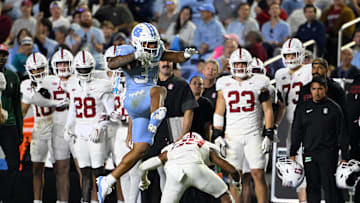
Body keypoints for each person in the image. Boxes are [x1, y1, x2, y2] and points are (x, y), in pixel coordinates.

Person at [96, 23, 197, 202]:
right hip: (136, 97)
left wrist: (185, 55)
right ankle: (155, 121)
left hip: (143, 108)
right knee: (160, 90)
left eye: (153, 43)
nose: (151, 47)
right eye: (147, 44)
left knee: (140, 150)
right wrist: (134, 55)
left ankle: (109, 179)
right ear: (137, 42)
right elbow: (112, 63)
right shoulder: (128, 49)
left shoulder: (156, 49)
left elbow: (171, 55)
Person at [213, 48, 274, 203]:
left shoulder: (261, 81)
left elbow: (268, 110)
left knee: (258, 174)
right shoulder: (224, 83)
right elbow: (219, 111)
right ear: (231, 65)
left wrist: (269, 134)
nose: (240, 68)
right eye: (237, 64)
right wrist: (217, 135)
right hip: (232, 135)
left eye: (243, 64)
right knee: (235, 176)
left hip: (254, 134)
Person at [64, 50, 115, 203]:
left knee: (99, 173)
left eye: (87, 69)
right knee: (85, 172)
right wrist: (68, 127)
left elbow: (111, 113)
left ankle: (101, 201)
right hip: (80, 133)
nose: (84, 72)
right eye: (81, 69)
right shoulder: (72, 84)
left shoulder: (102, 85)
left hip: (96, 133)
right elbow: (73, 109)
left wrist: (100, 127)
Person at [290, 76, 349, 203]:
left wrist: (344, 156)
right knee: (312, 187)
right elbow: (296, 131)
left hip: (328, 153)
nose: (317, 92)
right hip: (309, 153)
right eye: (314, 89)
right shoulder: (302, 108)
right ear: (310, 90)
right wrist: (292, 152)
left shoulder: (334, 109)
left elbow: (342, 134)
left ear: (325, 89)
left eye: (320, 89)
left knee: (330, 187)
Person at [138, 132, 241, 203]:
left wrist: (143, 181)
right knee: (224, 195)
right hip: (195, 167)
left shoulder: (171, 149)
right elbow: (232, 170)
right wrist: (237, 183)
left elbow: (143, 166)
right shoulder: (204, 145)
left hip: (174, 172)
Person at [20, 52, 67, 203]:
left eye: (40, 68)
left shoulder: (56, 81)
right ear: (28, 70)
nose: (37, 72)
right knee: (36, 168)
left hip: (57, 127)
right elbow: (22, 110)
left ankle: (61, 200)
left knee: (59, 169)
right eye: (34, 70)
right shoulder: (26, 85)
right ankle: (37, 201)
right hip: (39, 128)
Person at [274, 38, 312, 203]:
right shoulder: (280, 74)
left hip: (311, 124)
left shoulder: (310, 70)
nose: (290, 59)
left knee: (312, 166)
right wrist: (274, 126)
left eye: (293, 55)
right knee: (296, 169)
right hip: (292, 127)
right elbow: (282, 104)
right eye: (287, 55)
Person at [0, 44, 22, 202]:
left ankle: (8, 198)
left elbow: (17, 106)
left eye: (4, 55)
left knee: (14, 163)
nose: (1, 58)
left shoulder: (13, 76)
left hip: (9, 124)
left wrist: (19, 130)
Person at [189, 75, 214, 140]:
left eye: (200, 84)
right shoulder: (183, 102)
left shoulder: (207, 104)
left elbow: (208, 126)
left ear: (203, 87)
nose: (197, 86)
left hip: (201, 139)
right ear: (189, 86)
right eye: (194, 83)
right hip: (186, 138)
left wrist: (208, 141)